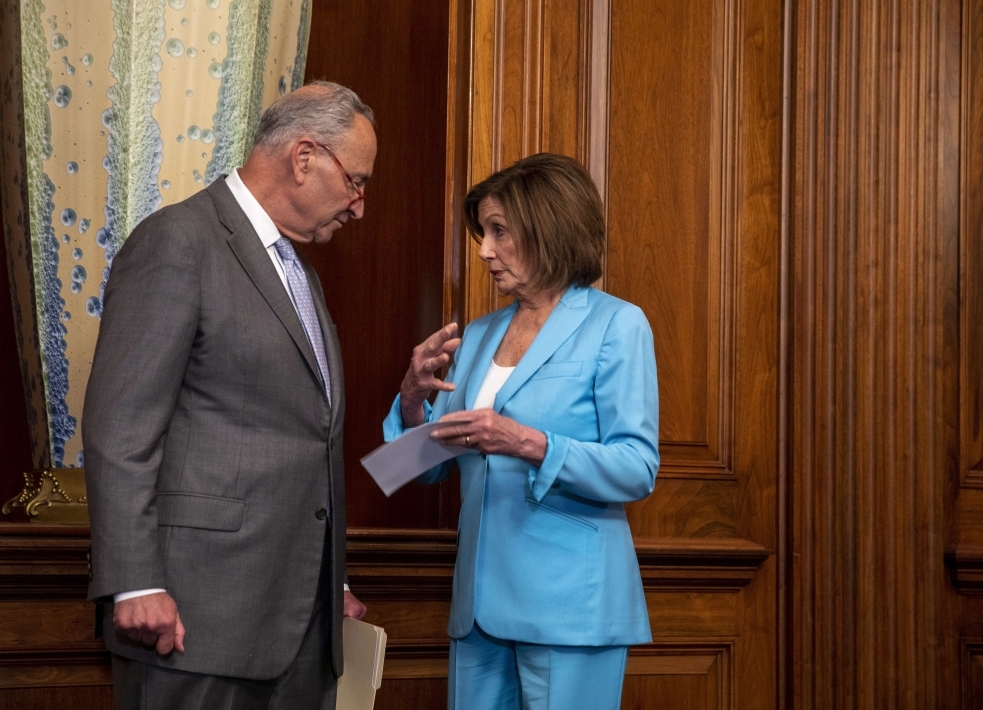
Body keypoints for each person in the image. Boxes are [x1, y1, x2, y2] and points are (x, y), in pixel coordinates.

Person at [83, 81, 376, 710]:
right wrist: (134, 581)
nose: (359, 206)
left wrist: (330, 579)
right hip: (193, 622)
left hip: (301, 628)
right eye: (355, 181)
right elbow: (121, 428)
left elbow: (302, 439)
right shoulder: (177, 242)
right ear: (304, 158)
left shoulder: (300, 272)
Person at [384, 152, 660, 709]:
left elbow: (637, 467)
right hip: (478, 609)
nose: (483, 249)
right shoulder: (479, 335)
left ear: (549, 230)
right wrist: (413, 400)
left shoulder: (617, 324)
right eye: (482, 231)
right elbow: (418, 472)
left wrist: (528, 442)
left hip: (569, 609)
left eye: (499, 231)